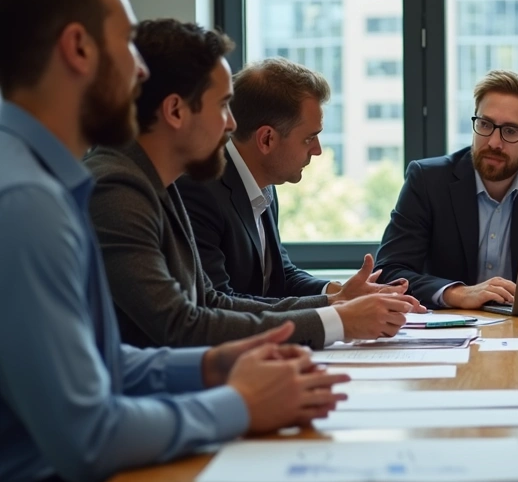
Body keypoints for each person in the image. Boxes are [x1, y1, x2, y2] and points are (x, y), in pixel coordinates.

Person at [0, 0, 348, 482]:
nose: (140, 71)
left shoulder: (46, 181)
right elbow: (89, 435)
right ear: (79, 48)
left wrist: (212, 367)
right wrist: (237, 403)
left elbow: (104, 366)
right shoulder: (26, 201)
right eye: (127, 44)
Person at [84, 19, 420, 349]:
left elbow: (209, 300)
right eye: (221, 106)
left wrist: (337, 308)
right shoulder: (117, 189)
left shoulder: (160, 183)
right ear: (175, 111)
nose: (231, 123)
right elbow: (181, 325)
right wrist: (338, 319)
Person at [178, 58, 409, 302]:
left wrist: (342, 292)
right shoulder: (199, 189)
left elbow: (280, 276)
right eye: (309, 138)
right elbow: (217, 304)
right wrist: (333, 305)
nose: (318, 150)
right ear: (267, 139)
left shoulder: (263, 184)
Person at [374, 69, 518, 310]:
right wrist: (457, 293)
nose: (494, 142)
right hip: (450, 332)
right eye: (485, 124)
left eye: (511, 131)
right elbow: (389, 273)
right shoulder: (428, 180)